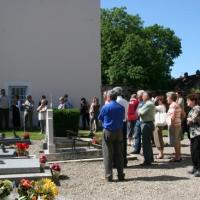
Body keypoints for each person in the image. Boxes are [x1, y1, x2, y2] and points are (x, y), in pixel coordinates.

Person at [98, 89, 125, 182]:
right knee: (119, 154)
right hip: (119, 131)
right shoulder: (121, 107)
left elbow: (100, 118)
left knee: (108, 154)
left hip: (108, 131)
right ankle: (121, 175)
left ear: (109, 97)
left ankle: (109, 175)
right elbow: (122, 118)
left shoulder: (105, 107)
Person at [138, 91, 155, 166]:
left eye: (143, 95)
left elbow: (140, 112)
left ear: (147, 96)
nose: (142, 96)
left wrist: (138, 109)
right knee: (148, 142)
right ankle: (150, 158)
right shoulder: (149, 103)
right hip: (148, 123)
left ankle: (147, 160)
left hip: (146, 124)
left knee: (145, 143)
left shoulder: (148, 104)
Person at [113, 87, 129, 167]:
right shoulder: (125, 101)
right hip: (124, 122)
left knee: (117, 143)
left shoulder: (116, 101)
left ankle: (117, 162)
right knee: (123, 142)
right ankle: (124, 161)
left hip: (118, 123)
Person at [186, 94, 200, 177]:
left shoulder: (197, 108)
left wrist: (189, 120)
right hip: (193, 133)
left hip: (198, 133)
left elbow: (192, 120)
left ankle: (199, 169)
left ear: (193, 101)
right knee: (193, 151)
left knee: (197, 151)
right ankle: (195, 167)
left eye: (188, 100)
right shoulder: (192, 109)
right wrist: (189, 120)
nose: (187, 102)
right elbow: (189, 121)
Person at [166, 92, 182, 162]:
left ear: (170, 98)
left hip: (174, 125)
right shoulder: (176, 104)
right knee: (177, 140)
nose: (166, 99)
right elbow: (183, 113)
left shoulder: (173, 105)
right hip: (177, 124)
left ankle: (177, 157)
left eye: (167, 97)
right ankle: (178, 155)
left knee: (176, 141)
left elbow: (172, 117)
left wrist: (171, 124)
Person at [131, 90, 144, 154]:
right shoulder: (138, 102)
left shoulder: (145, 102)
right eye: (137, 95)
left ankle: (145, 151)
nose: (137, 96)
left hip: (143, 120)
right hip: (138, 120)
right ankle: (136, 149)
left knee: (144, 136)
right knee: (136, 135)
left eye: (138, 95)